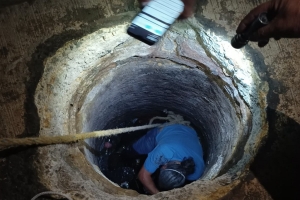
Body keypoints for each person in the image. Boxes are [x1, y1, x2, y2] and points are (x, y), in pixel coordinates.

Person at [128, 124, 205, 194]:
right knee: (134, 150)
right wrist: (157, 194)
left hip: (189, 132)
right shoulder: (164, 151)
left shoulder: (196, 173)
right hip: (168, 129)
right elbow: (142, 176)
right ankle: (127, 152)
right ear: (164, 166)